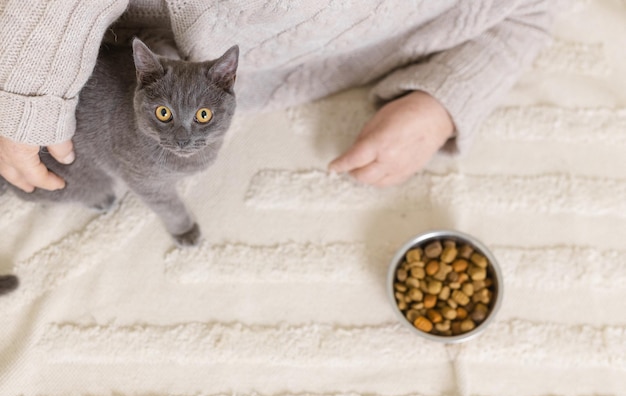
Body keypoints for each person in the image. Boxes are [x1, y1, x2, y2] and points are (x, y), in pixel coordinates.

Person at [0, 0, 554, 190]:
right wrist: (25, 89)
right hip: (92, 36)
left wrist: (442, 101)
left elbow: (533, 13)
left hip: (258, 72)